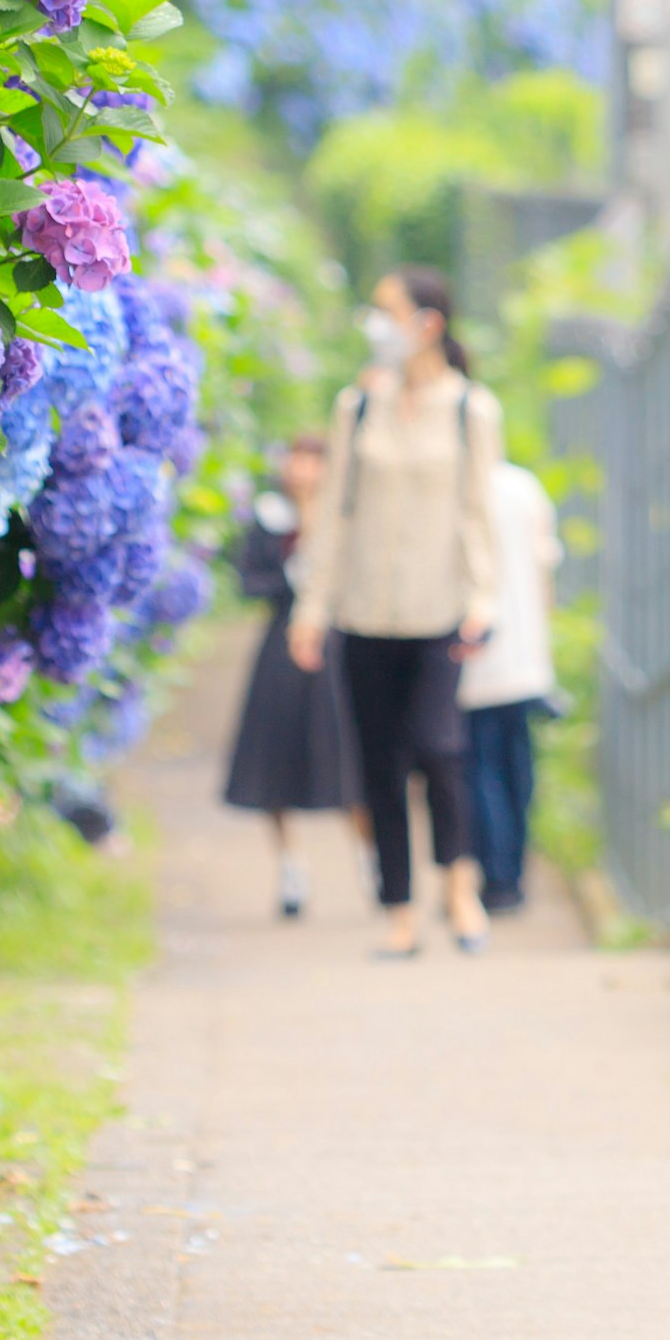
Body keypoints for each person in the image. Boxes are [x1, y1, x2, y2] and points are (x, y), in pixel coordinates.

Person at [289, 267, 504, 959]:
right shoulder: (356, 407)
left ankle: (459, 886)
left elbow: (479, 515)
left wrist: (482, 600)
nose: (375, 326)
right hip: (363, 615)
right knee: (378, 765)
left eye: (387, 313)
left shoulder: (473, 410)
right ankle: (399, 909)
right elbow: (334, 518)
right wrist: (312, 607)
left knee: (441, 750)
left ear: (427, 324)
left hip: (438, 611)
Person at [220, 431, 361, 918]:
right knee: (273, 755)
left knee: (348, 752)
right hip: (282, 644)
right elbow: (249, 579)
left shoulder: (346, 517)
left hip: (334, 646)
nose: (303, 471)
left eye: (313, 461)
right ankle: (290, 869)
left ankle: (369, 859)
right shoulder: (268, 519)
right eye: (297, 459)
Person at [456, 456, 562, 915]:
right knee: (517, 769)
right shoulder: (525, 485)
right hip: (525, 656)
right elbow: (544, 576)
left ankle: (496, 879)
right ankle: (514, 875)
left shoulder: (454, 487)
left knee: (479, 768)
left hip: (473, 657)